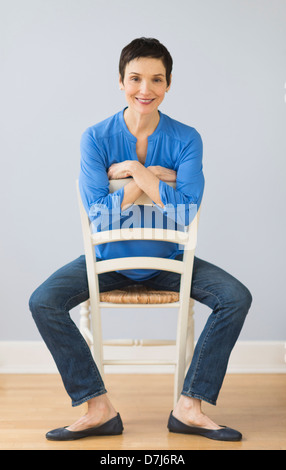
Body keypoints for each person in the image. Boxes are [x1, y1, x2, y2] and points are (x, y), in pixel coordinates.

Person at [29, 37, 252, 442]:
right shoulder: (95, 137)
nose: (145, 89)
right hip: (108, 261)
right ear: (120, 81)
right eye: (135, 78)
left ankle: (190, 406)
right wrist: (151, 178)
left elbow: (185, 214)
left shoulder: (187, 138)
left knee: (235, 297)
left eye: (156, 79)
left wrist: (128, 173)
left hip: (171, 261)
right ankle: (97, 408)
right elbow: (98, 217)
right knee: (43, 301)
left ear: (168, 85)